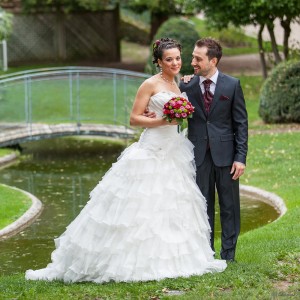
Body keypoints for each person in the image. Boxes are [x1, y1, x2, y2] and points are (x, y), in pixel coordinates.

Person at [25, 38, 226, 284]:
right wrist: (161, 121)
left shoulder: (179, 82)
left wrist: (180, 95)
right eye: (169, 59)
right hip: (151, 149)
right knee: (141, 205)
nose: (175, 63)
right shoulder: (149, 84)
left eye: (177, 58)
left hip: (174, 149)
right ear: (159, 61)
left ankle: (168, 259)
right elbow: (134, 118)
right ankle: (128, 260)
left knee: (172, 204)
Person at [179, 38, 248, 262]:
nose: (193, 62)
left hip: (227, 157)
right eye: (192, 57)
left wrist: (240, 158)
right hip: (198, 155)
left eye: (198, 58)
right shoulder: (186, 85)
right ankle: (205, 255)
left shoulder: (232, 85)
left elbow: (241, 124)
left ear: (213, 60)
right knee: (202, 206)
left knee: (229, 207)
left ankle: (228, 255)